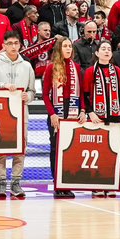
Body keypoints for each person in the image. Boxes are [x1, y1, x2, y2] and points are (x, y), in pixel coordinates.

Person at [0, 34, 39, 199]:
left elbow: (32, 91)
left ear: (20, 45)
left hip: (21, 113)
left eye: (16, 43)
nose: (13, 46)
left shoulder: (27, 66)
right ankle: (1, 181)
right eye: (9, 43)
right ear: (3, 45)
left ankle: (16, 182)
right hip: (0, 113)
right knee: (0, 148)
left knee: (20, 149)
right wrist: (4, 86)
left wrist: (28, 97)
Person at [80, 40, 120, 198]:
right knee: (98, 152)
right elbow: (85, 94)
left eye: (109, 49)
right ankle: (97, 185)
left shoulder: (117, 71)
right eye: (103, 49)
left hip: (114, 117)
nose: (107, 51)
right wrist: (90, 112)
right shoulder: (90, 71)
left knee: (113, 151)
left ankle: (111, 184)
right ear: (97, 53)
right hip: (97, 118)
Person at [41, 38, 83, 198]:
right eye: (65, 46)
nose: (68, 49)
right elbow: (45, 95)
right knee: (56, 149)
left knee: (69, 149)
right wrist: (52, 114)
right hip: (56, 112)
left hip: (72, 109)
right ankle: (57, 183)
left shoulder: (77, 68)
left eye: (70, 46)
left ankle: (66, 183)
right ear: (59, 49)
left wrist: (83, 110)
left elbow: (83, 94)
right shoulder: (51, 67)